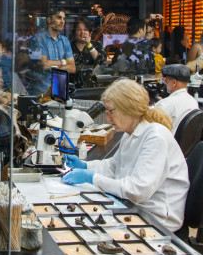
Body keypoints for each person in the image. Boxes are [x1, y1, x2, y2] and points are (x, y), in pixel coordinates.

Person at [62, 79, 189, 232]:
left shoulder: (155, 137)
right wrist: (85, 166)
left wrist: (91, 178)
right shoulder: (131, 132)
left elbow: (138, 190)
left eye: (111, 111)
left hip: (157, 218)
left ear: (129, 108)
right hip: (135, 206)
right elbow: (114, 166)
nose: (108, 118)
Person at [29, 9, 76, 95]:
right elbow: (45, 64)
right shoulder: (39, 38)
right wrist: (64, 62)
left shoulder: (65, 41)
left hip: (60, 90)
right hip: (42, 92)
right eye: (59, 18)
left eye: (64, 18)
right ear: (49, 19)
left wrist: (53, 66)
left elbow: (72, 68)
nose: (62, 21)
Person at [155, 64, 199, 135]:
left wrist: (157, 106)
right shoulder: (193, 101)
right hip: (186, 145)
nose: (165, 82)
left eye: (166, 80)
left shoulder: (165, 104)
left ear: (174, 82)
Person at [70, 19, 106, 88]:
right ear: (75, 32)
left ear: (90, 33)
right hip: (72, 88)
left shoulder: (96, 44)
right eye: (79, 29)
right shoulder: (69, 46)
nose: (82, 32)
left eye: (85, 29)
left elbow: (101, 60)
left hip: (91, 88)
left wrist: (89, 45)